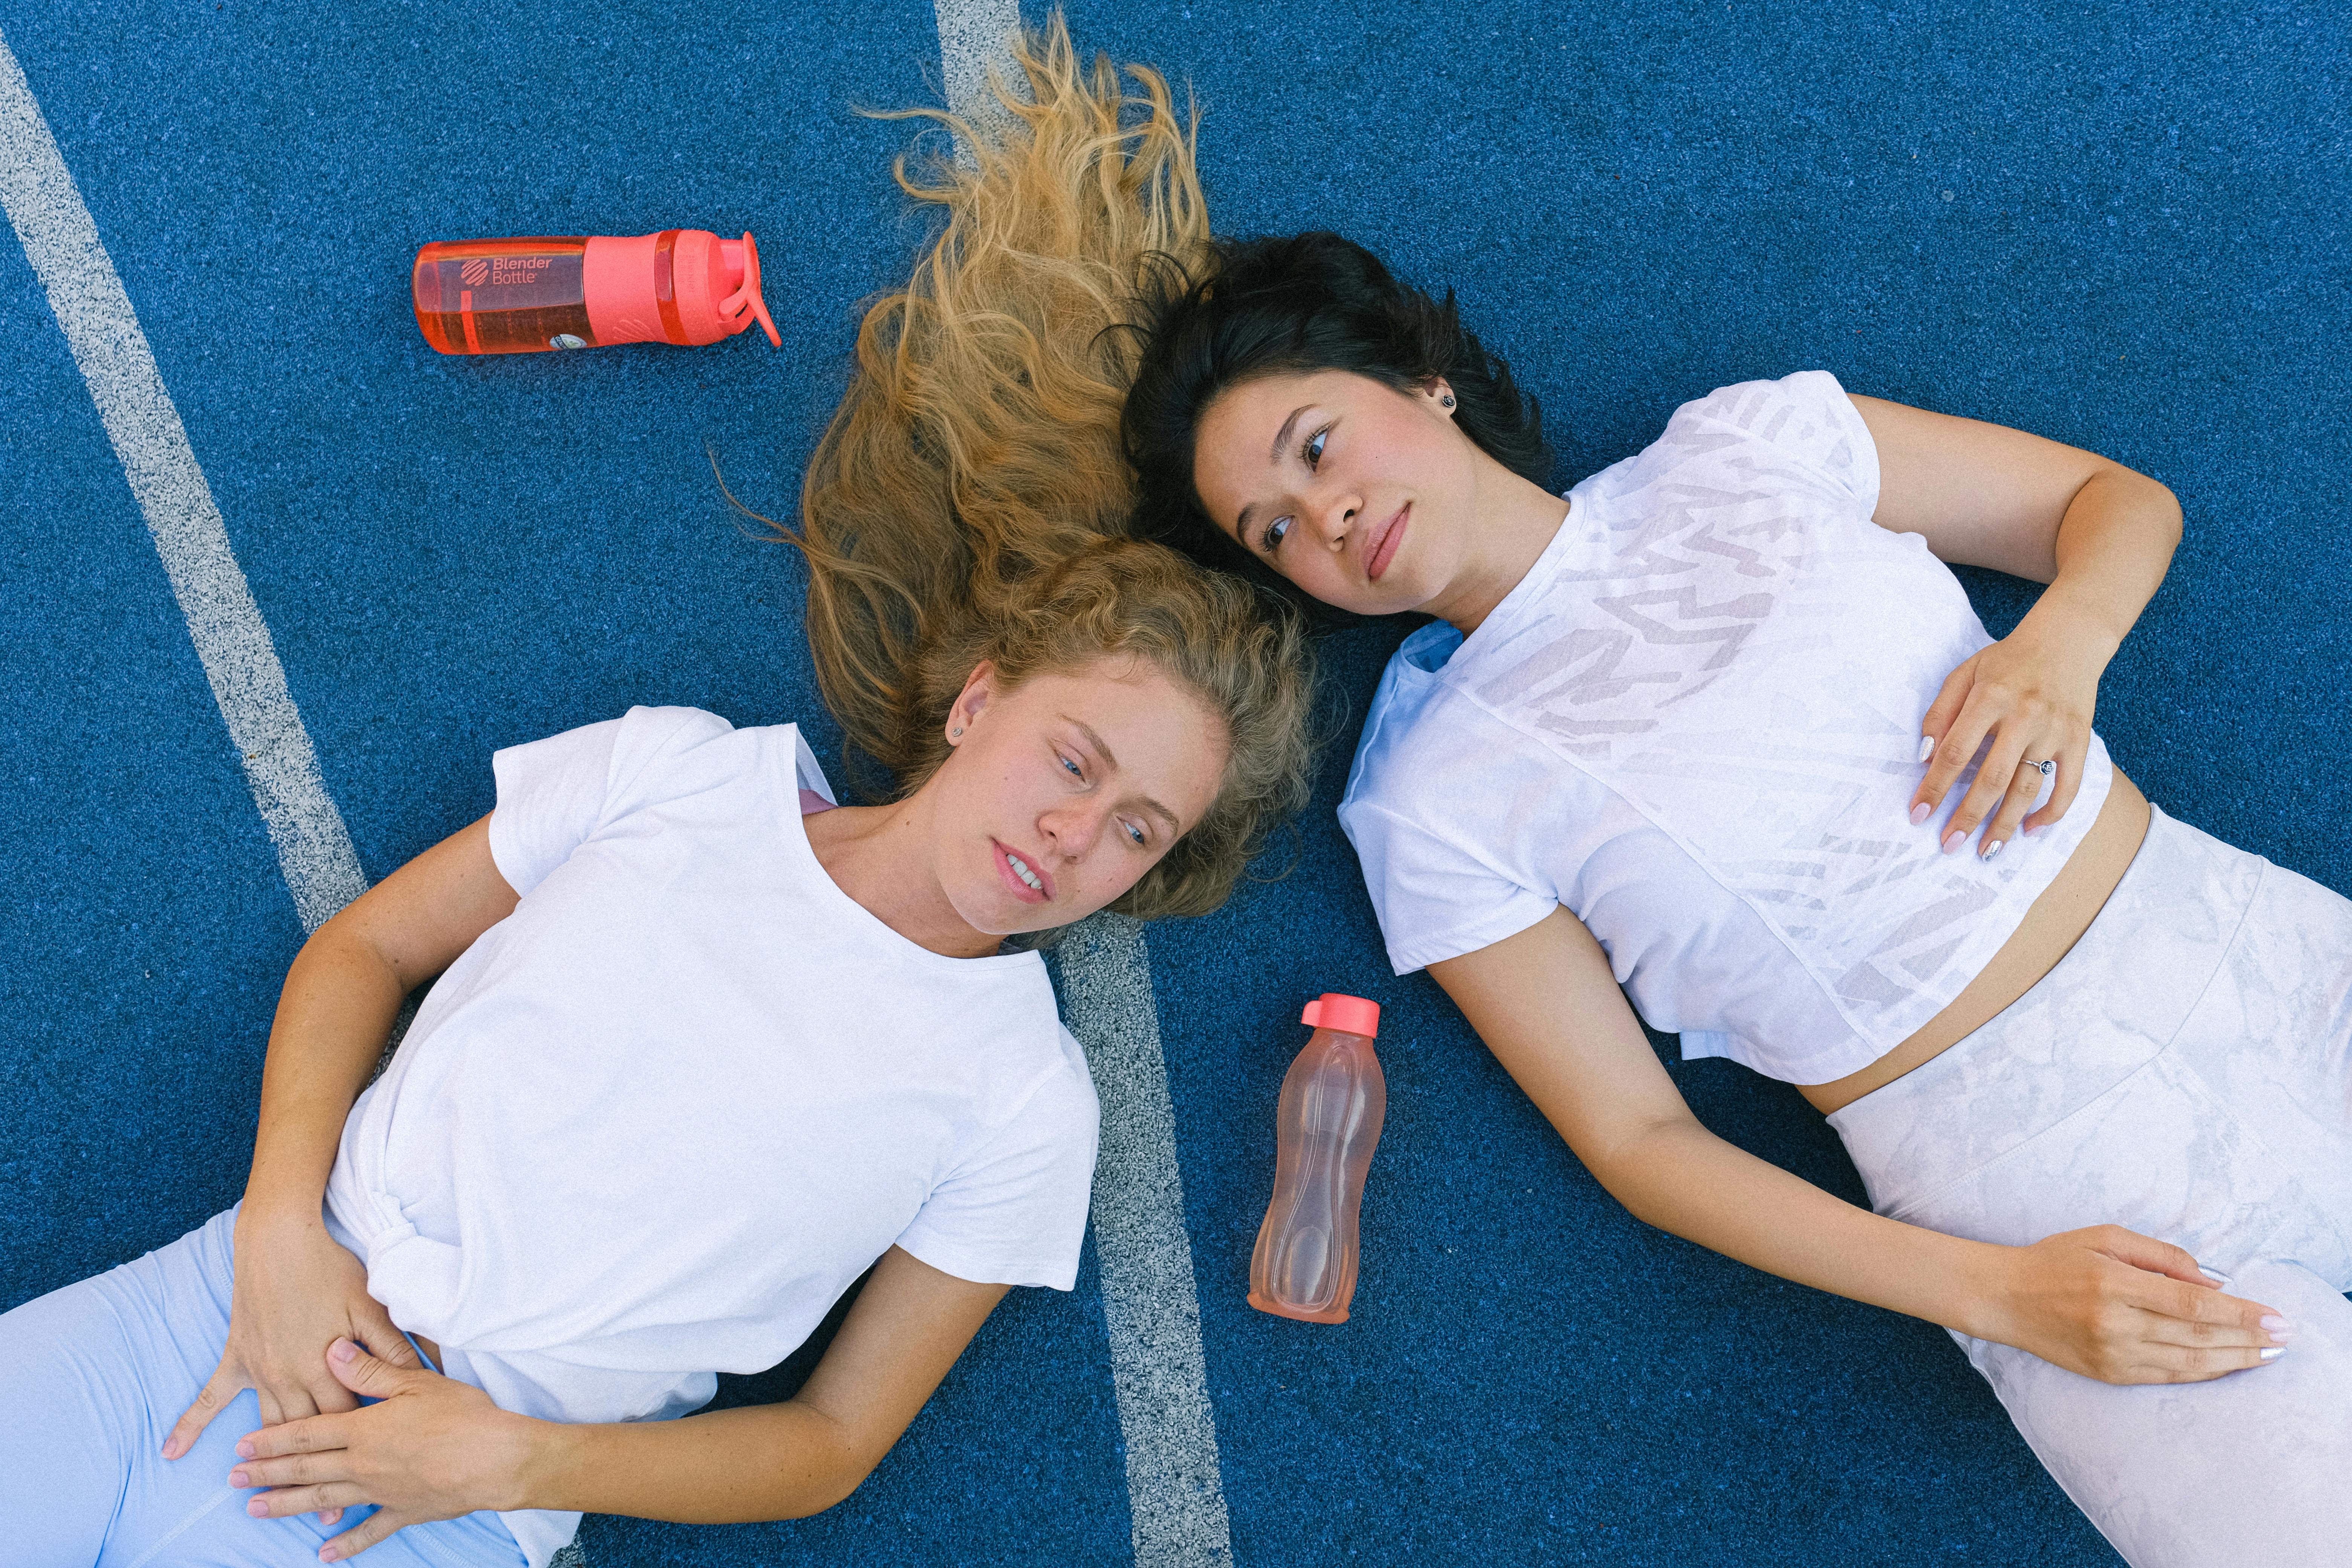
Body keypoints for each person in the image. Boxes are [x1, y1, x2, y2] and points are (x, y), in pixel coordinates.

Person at [0, 29, 1312, 1559]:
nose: (1077, 834)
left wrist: (508, 1453)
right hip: (219, 1305)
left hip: (430, 1507)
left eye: (1136, 832)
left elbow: (831, 1441)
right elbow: (366, 946)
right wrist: (283, 1228)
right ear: (978, 701)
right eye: (1074, 760)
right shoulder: (688, 769)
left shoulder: (1027, 1101)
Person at [1113, 228, 2348, 1564]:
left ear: (1423, 383)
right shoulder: (1423, 803)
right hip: (2044, 1203)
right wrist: (2006, 1297)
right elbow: (1640, 1141)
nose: (1328, 515)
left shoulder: (1747, 444)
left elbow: (2112, 504)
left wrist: (2060, 646)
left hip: (2270, 968)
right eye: (1277, 529)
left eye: (1317, 447)